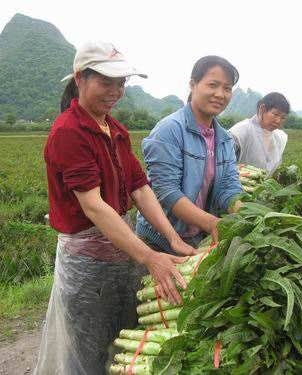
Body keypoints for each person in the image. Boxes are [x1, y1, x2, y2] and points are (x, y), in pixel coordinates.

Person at [34, 41, 196, 375]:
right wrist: (150, 257)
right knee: (88, 353)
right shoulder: (69, 131)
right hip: (87, 265)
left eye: (121, 83)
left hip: (122, 253)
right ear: (80, 79)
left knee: (123, 342)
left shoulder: (114, 128)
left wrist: (171, 237)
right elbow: (94, 207)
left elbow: (140, 187)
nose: (115, 91)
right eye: (106, 82)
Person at [136, 55, 243, 252]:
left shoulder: (225, 139)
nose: (220, 94)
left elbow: (229, 186)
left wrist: (247, 213)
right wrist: (212, 223)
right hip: (159, 240)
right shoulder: (168, 130)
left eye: (227, 88)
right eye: (213, 85)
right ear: (193, 84)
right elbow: (167, 192)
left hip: (196, 237)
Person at [229, 92, 290, 175]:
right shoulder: (240, 132)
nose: (278, 121)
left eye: (283, 117)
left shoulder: (280, 137)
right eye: (275, 114)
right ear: (262, 109)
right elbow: (224, 165)